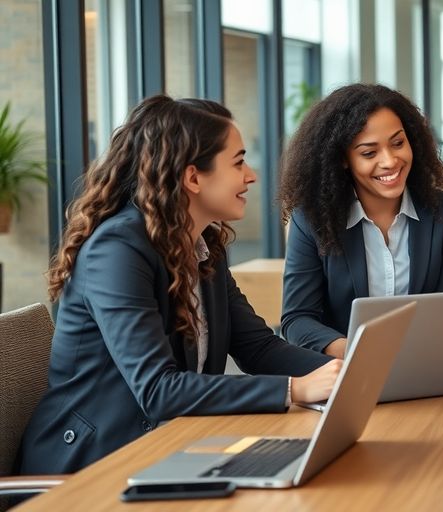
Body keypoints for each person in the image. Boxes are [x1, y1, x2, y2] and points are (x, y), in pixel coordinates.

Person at [19, 96, 341, 475]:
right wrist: (294, 389)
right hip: (91, 467)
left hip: (172, 447)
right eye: (238, 162)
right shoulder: (117, 251)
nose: (251, 175)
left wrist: (350, 373)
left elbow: (257, 347)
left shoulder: (203, 247)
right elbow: (158, 390)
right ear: (192, 177)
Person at [278, 84, 443, 358]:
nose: (390, 161)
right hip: (346, 370)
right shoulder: (312, 220)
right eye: (368, 153)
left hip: (423, 363)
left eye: (398, 143)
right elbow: (297, 320)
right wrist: (359, 351)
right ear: (343, 159)